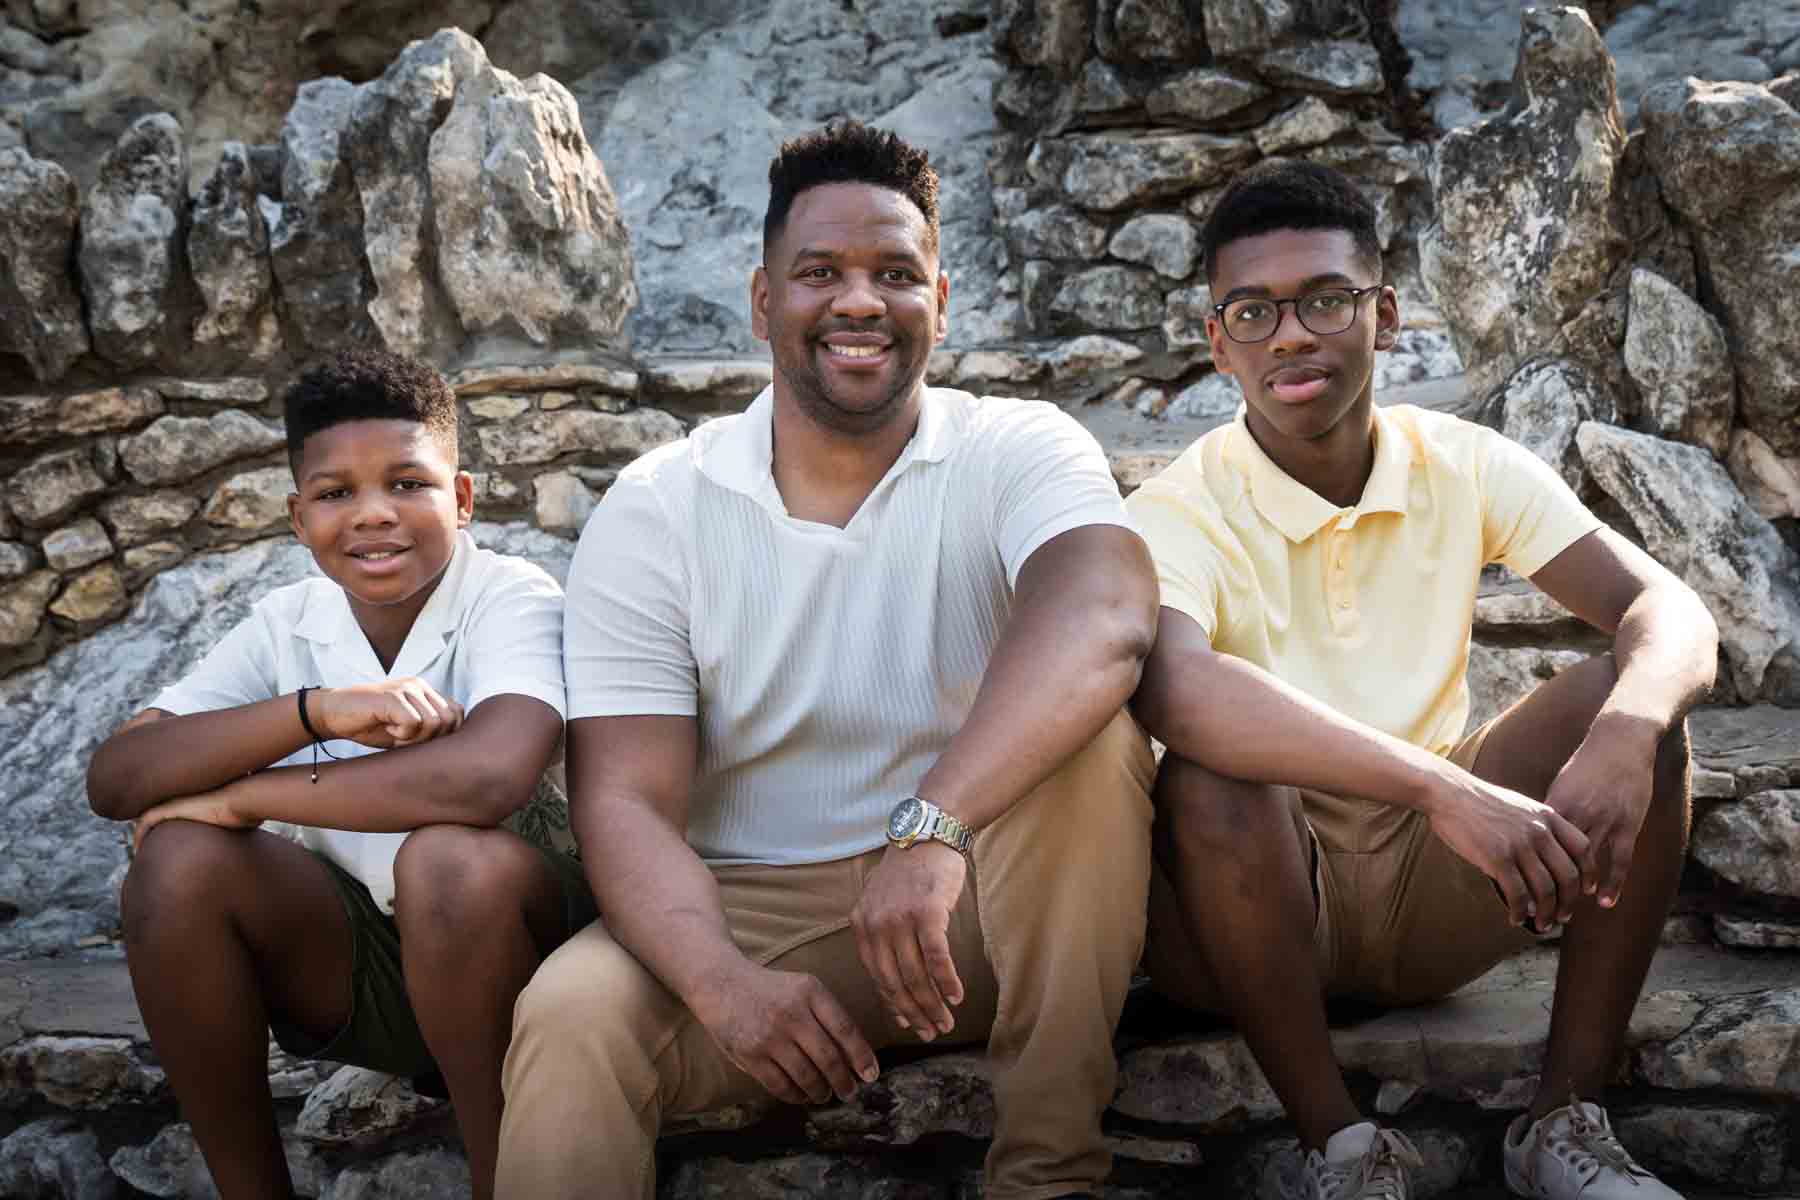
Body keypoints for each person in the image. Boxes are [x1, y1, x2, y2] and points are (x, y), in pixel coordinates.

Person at [494, 119, 1159, 1200]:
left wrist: (934, 825)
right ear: (765, 302)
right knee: (570, 1016)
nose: (859, 302)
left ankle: (1048, 1178)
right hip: (756, 918)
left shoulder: (1019, 447)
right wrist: (721, 987)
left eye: (896, 274)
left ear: (940, 301)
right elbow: (623, 804)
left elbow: (1107, 618)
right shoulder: (661, 504)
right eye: (822, 274)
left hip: (992, 912)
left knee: (1094, 740)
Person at [1126, 161, 1716, 1200]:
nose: (1292, 336)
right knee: (1209, 779)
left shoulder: (1460, 462)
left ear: (1386, 315)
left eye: (1324, 299)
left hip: (1435, 897)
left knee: (1631, 709)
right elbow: (1176, 689)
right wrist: (1442, 787)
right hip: (1256, 906)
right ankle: (1342, 1152)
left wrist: (1626, 731)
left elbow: (1667, 610)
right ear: (1219, 345)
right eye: (1253, 313)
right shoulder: (1178, 509)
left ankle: (1561, 1125)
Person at [87, 349, 596, 1200]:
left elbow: (488, 778)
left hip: (525, 964)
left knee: (448, 861)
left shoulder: (511, 596)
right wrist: (316, 712)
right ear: (297, 517)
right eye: (335, 494)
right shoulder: (290, 623)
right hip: (365, 975)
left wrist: (243, 794)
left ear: (462, 499)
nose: (372, 517)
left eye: (407, 484)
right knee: (176, 860)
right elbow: (119, 775)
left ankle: (506, 1180)